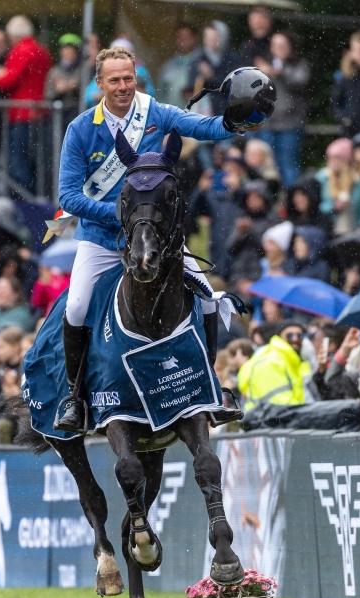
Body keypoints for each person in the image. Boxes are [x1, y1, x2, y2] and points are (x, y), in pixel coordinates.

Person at [54, 46, 257, 432]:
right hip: (101, 238)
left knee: (210, 300)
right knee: (77, 306)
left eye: (128, 78)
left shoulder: (154, 113)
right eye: (114, 80)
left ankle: (211, 386)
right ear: (99, 84)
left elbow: (199, 126)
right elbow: (68, 196)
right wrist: (117, 214)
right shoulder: (80, 128)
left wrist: (233, 125)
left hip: (155, 239)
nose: (123, 86)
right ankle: (74, 397)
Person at [0, 16, 53, 195]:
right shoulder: (42, 51)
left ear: (14, 36)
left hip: (21, 114)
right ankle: (37, 197)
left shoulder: (21, 50)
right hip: (39, 113)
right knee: (37, 162)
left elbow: (8, 81)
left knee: (17, 161)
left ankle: (25, 200)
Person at [254, 32, 309, 187]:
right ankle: (271, 204)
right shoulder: (263, 64)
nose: (279, 49)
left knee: (289, 166)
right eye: (275, 45)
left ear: (290, 47)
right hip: (267, 124)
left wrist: (280, 72)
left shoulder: (299, 64)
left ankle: (292, 204)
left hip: (290, 124)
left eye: (283, 45)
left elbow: (300, 82)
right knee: (268, 167)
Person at [237, 322, 309, 411]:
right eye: (289, 335)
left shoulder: (298, 361)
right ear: (280, 337)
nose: (295, 339)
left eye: (300, 335)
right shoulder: (271, 361)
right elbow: (279, 407)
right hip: (267, 421)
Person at [185, 21, 244, 117]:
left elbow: (234, 86)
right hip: (203, 113)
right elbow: (191, 86)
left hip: (226, 112)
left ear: (223, 38)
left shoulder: (232, 57)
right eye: (208, 37)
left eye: (214, 37)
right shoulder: (198, 57)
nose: (211, 41)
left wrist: (213, 77)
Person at [158, 24, 200, 110]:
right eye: (180, 37)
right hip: (171, 118)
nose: (183, 40)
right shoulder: (168, 66)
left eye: (186, 37)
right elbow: (160, 94)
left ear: (194, 38)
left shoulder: (202, 63)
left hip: (195, 118)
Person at [45, 34, 83, 126]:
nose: (68, 52)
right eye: (65, 49)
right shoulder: (54, 71)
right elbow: (48, 95)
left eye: (71, 50)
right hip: (57, 116)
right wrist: (58, 91)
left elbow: (86, 95)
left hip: (76, 114)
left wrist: (75, 88)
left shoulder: (82, 70)